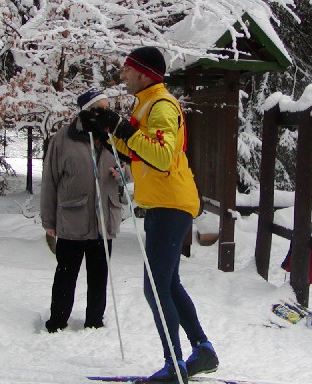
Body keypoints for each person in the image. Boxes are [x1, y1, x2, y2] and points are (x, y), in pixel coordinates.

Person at [80, 47, 218, 384]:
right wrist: (105, 132)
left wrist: (119, 127)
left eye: (127, 69)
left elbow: (161, 155)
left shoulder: (162, 105)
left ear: (143, 73)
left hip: (171, 202)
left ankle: (174, 365)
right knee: (167, 284)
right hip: (163, 203)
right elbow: (137, 151)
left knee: (155, 288)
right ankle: (202, 350)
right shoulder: (146, 103)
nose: (123, 74)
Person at [40, 88, 126, 333]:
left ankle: (95, 322)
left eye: (108, 108)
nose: (106, 113)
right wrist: (49, 220)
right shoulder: (63, 139)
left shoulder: (114, 137)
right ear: (87, 110)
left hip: (104, 219)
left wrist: (123, 173)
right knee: (66, 275)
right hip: (72, 218)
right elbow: (50, 180)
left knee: (99, 276)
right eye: (101, 108)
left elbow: (130, 169)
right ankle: (57, 321)